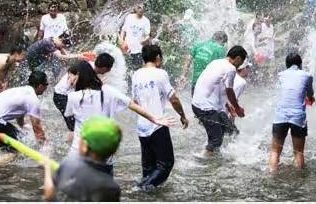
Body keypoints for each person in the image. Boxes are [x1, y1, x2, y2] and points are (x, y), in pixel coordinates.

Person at [64, 61, 175, 175]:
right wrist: (154, 119)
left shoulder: (72, 97)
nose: (69, 80)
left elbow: (69, 116)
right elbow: (131, 104)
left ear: (78, 75)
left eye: (70, 77)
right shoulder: (107, 91)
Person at [132, 45, 189, 190]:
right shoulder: (160, 73)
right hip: (158, 125)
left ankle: (146, 190)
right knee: (166, 164)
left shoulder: (136, 74)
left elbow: (135, 101)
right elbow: (174, 99)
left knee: (148, 167)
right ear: (157, 58)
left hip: (142, 127)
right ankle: (142, 189)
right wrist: (182, 115)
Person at [44, 116, 122, 201]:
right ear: (114, 151)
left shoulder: (68, 165)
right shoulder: (112, 187)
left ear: (84, 146)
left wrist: (47, 168)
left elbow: (49, 194)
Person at [192, 45, 247, 157]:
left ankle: (213, 154)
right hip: (206, 107)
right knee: (216, 140)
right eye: (241, 61)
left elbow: (217, 87)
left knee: (227, 130)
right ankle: (201, 163)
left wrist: (227, 105)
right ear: (237, 58)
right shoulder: (230, 69)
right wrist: (237, 108)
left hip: (198, 104)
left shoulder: (216, 62)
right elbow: (229, 90)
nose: (240, 65)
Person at [53, 53, 115, 140]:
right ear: (104, 68)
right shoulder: (86, 69)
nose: (109, 71)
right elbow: (74, 82)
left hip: (69, 95)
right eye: (109, 68)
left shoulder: (90, 69)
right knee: (74, 126)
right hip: (62, 95)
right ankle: (68, 147)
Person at [269, 52, 314, 171]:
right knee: (298, 152)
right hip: (298, 117)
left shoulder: (280, 75)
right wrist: (310, 98)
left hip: (280, 116)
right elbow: (310, 94)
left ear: (286, 65)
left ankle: (272, 175)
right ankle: (299, 180)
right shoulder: (307, 75)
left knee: (274, 152)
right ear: (300, 64)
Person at [0, 71, 48, 151]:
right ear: (40, 86)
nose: (46, 88)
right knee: (16, 151)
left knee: (20, 139)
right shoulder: (33, 99)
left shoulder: (20, 90)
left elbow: (20, 119)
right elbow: (37, 128)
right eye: (46, 85)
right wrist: (45, 148)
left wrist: (25, 127)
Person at [119, 3, 151, 71]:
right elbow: (123, 30)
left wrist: (144, 40)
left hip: (138, 50)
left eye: (143, 8)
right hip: (127, 48)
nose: (141, 9)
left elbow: (147, 35)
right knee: (125, 69)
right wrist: (121, 40)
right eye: (139, 7)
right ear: (135, 8)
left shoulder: (146, 21)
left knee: (137, 70)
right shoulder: (129, 17)